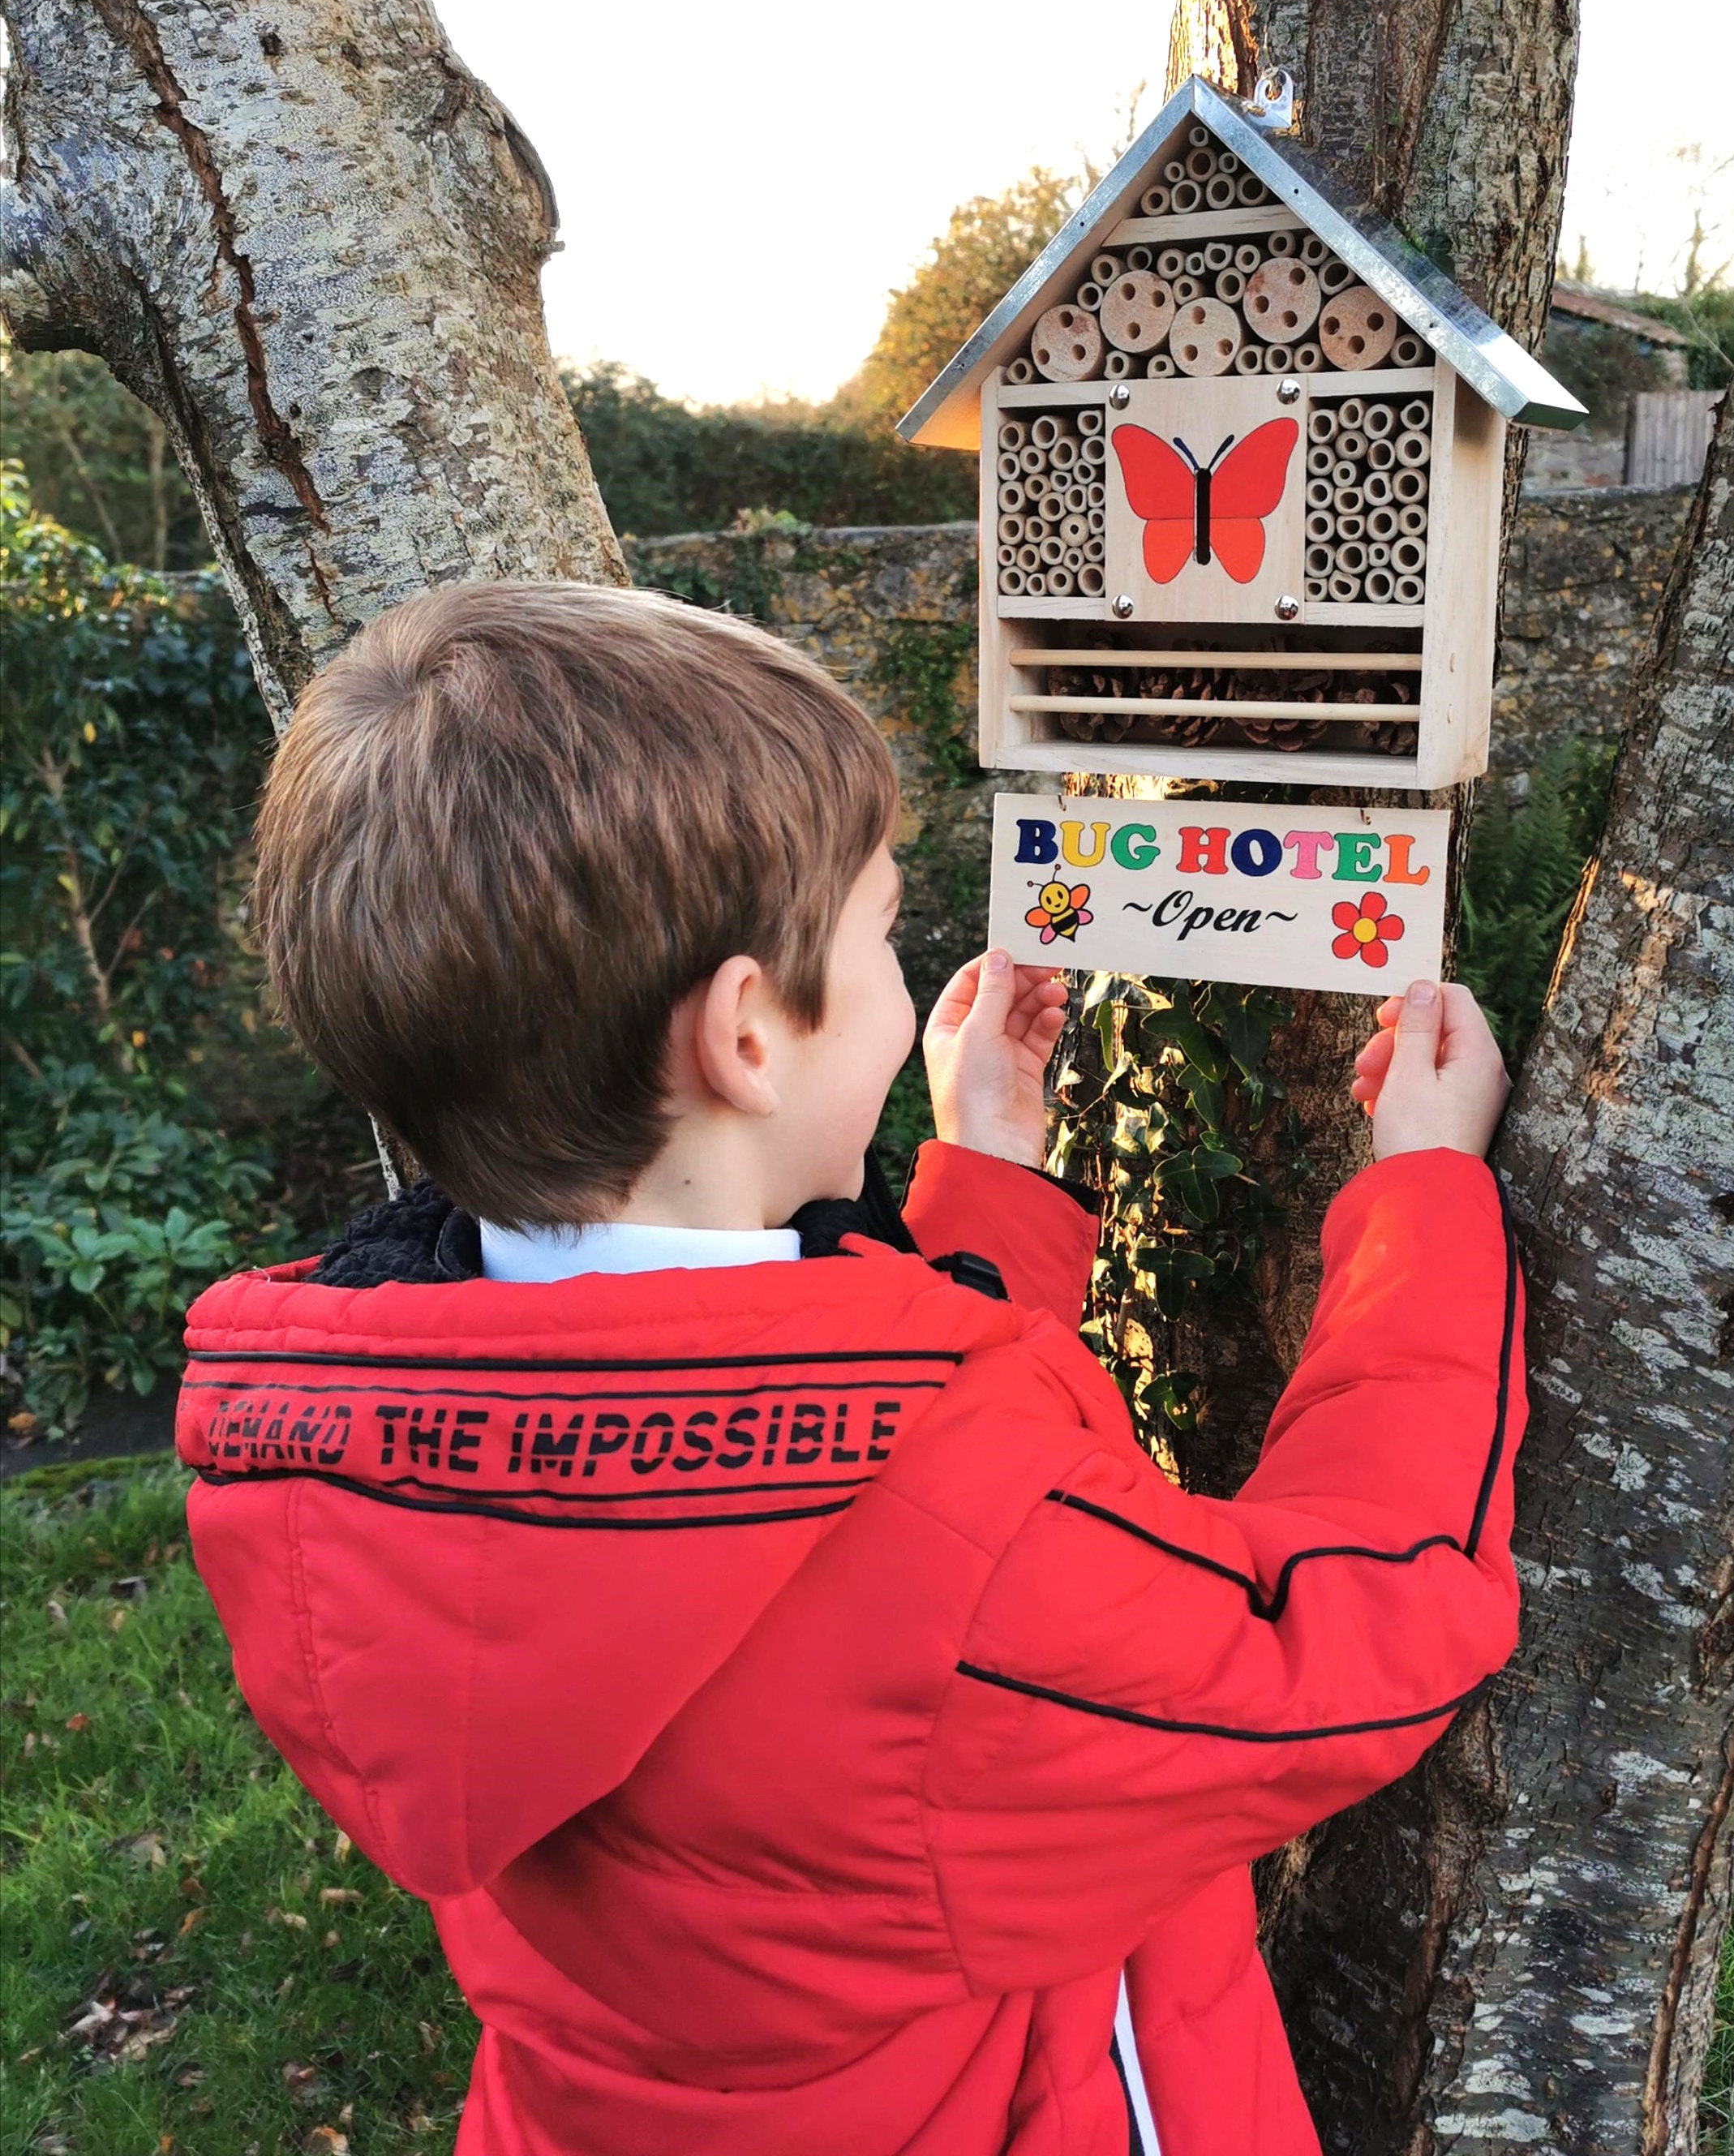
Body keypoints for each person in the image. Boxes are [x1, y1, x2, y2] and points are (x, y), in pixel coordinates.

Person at [177, 581, 1522, 2156]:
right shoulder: (965, 1569)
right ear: (749, 1037)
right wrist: (1423, 1199)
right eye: (886, 933)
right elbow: (1335, 1638)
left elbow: (793, 1424)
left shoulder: (375, 1461)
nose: (909, 978)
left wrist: (994, 1173)